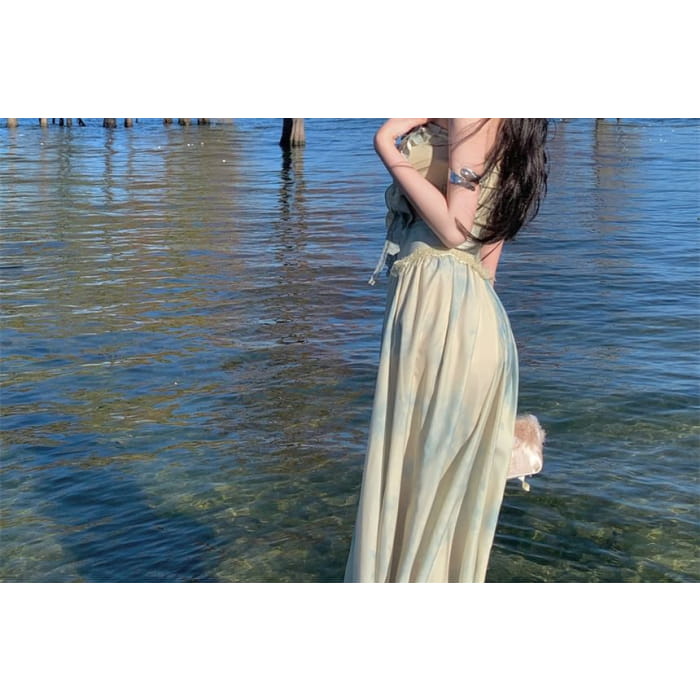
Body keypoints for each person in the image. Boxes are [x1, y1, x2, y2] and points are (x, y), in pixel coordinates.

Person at [344, 118, 548, 583]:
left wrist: (385, 143)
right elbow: (488, 258)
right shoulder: (507, 128)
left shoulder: (471, 115)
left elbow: (456, 229)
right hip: (462, 316)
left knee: (419, 486)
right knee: (433, 493)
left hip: (442, 316)